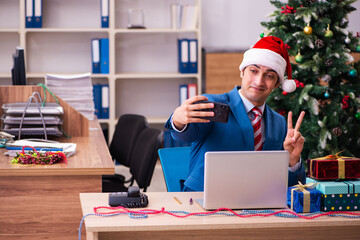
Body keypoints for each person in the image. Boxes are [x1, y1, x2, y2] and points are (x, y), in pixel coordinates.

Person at [165, 36, 306, 191]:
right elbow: (186, 135)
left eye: (269, 76)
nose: (259, 81)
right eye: (253, 71)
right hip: (204, 200)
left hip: (255, 202)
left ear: (277, 84)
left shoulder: (279, 123)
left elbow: (289, 186)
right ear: (242, 72)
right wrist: (178, 121)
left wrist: (292, 163)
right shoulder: (211, 104)